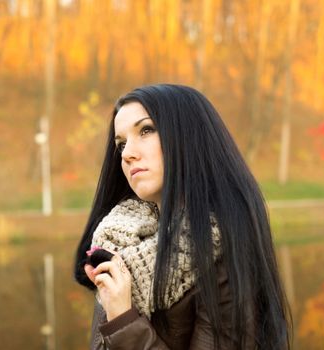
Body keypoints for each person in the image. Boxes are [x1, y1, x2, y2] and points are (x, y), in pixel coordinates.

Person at [74, 84, 290, 349]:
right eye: (121, 144)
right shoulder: (117, 242)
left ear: (188, 137)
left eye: (146, 130)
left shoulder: (221, 247)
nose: (128, 153)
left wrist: (123, 321)